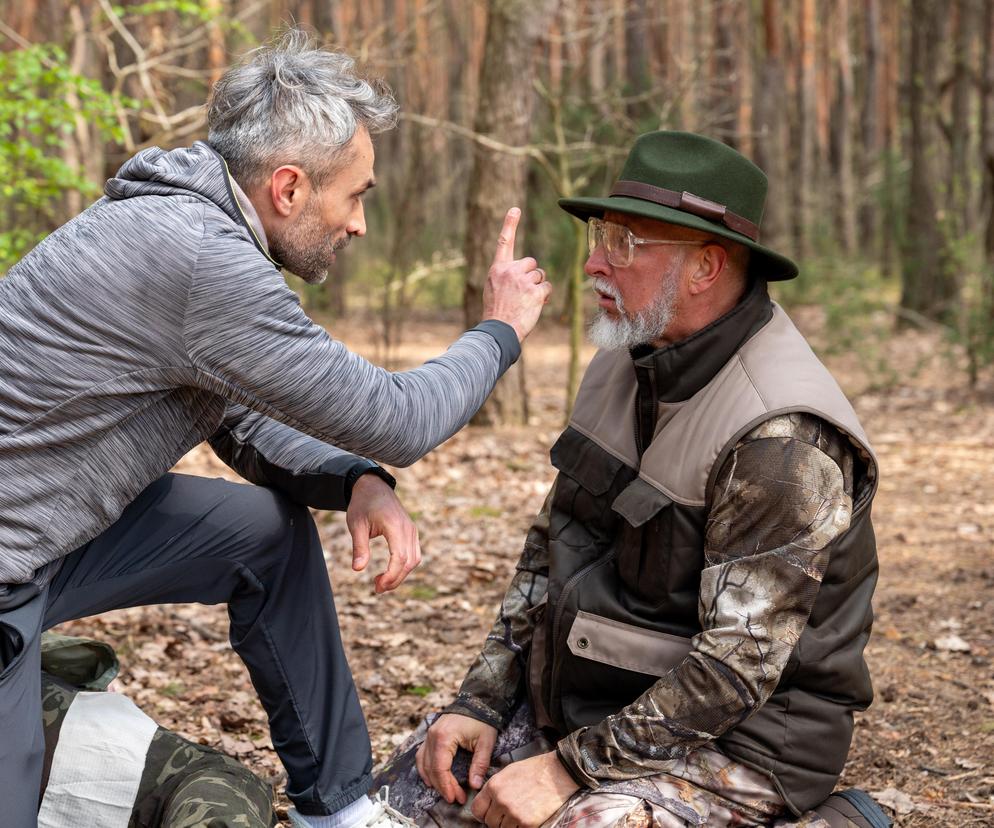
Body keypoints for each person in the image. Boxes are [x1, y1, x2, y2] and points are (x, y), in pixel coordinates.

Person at [0, 31, 551, 828]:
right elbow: (399, 417)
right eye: (355, 195)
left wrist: (354, 478)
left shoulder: (190, 227)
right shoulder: (197, 257)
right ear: (289, 187)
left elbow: (242, 413)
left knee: (261, 533)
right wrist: (498, 331)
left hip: (46, 540)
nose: (359, 223)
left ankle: (341, 808)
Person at [375, 132, 891, 828]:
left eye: (623, 243)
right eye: (599, 235)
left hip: (750, 741)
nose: (592, 262)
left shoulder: (783, 438)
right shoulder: (625, 360)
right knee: (399, 803)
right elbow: (547, 553)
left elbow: (736, 672)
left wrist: (566, 771)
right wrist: (482, 701)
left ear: (706, 265)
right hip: (603, 705)